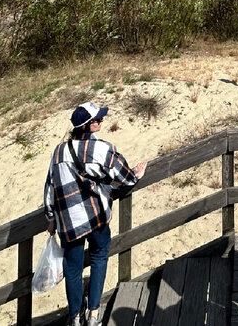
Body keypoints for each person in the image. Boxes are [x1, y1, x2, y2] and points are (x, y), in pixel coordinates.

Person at [44, 102, 147, 326]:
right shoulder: (101, 149)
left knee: (72, 269)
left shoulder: (60, 150)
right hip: (95, 216)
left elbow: (50, 186)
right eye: (97, 120)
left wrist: (51, 217)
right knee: (99, 256)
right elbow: (123, 175)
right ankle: (93, 314)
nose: (101, 121)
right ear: (88, 126)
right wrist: (136, 175)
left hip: (69, 223)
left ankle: (74, 318)